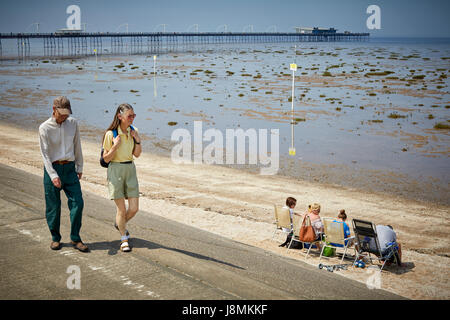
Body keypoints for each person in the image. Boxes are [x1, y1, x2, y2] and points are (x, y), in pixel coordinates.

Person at [39, 96, 88, 252]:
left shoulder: (72, 124)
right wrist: (53, 175)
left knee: (78, 203)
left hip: (70, 169)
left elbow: (77, 145)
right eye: (62, 113)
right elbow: (45, 155)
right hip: (52, 168)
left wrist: (79, 167)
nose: (65, 116)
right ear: (54, 110)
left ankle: (75, 238)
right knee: (53, 207)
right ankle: (55, 238)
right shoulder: (44, 128)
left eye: (67, 113)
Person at [102, 103, 142, 252]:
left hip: (130, 169)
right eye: (129, 116)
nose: (132, 118)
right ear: (120, 116)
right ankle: (123, 238)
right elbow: (106, 159)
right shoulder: (110, 134)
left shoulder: (134, 131)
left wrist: (137, 139)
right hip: (116, 170)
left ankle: (120, 224)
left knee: (134, 208)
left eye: (134, 115)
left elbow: (137, 154)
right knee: (121, 209)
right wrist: (114, 146)